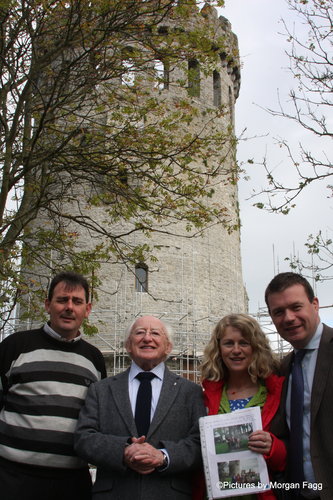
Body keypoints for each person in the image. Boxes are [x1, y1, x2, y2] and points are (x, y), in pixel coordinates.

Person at [0, 271, 107, 500]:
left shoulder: (94, 360)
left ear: (87, 310)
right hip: (13, 479)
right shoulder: (15, 347)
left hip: (72, 483)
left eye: (77, 301)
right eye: (62, 300)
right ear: (48, 305)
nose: (69, 307)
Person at [74, 315, 206, 500]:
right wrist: (123, 451)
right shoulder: (101, 389)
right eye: (140, 332)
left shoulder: (190, 392)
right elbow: (84, 438)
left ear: (168, 347)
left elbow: (200, 442)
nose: (147, 338)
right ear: (128, 345)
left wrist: (163, 456)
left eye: (155, 333)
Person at [195, 313, 286, 500]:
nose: (236, 350)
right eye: (229, 343)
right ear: (219, 349)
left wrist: (273, 447)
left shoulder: (278, 392)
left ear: (256, 347)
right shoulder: (205, 396)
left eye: (244, 343)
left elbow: (299, 449)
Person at [265, 272, 331, 499]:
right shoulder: (282, 369)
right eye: (279, 312)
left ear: (315, 305)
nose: (289, 318)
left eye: (296, 307)